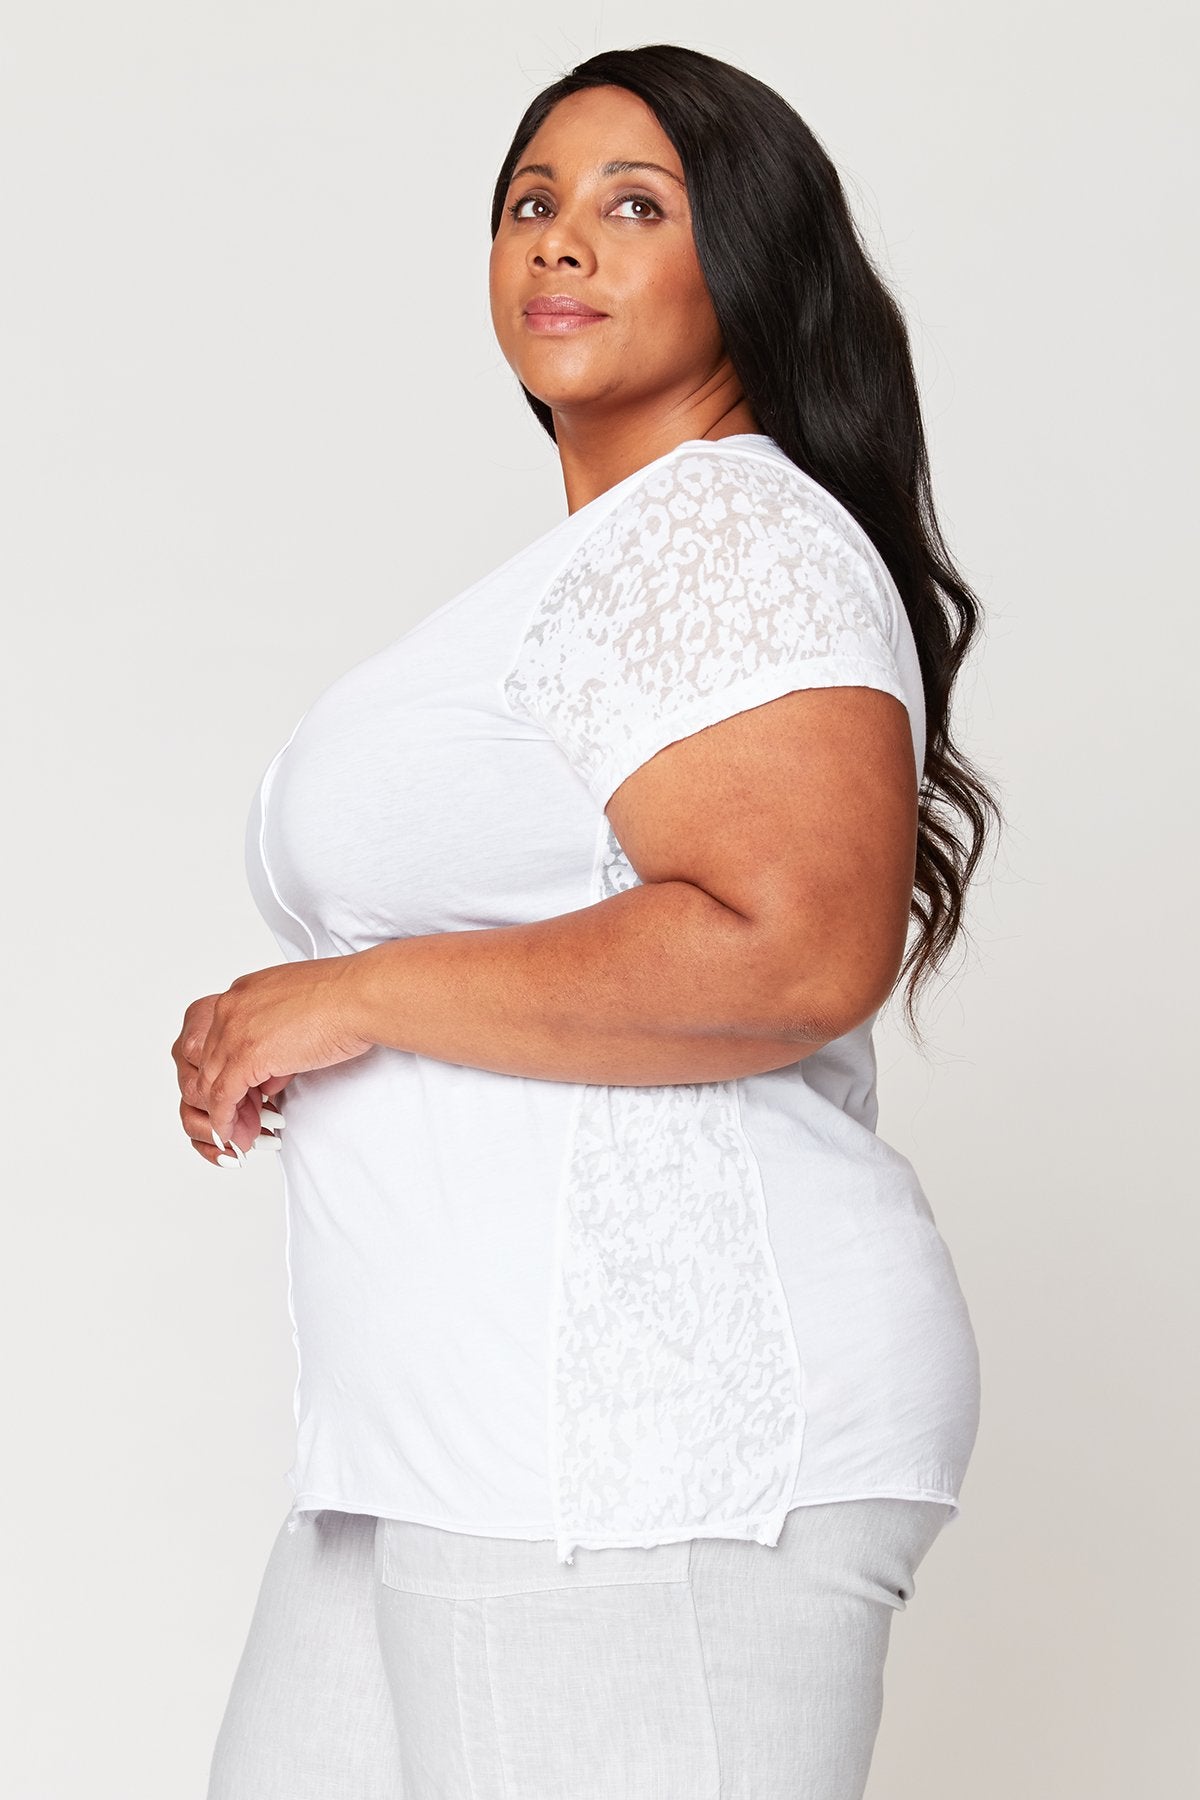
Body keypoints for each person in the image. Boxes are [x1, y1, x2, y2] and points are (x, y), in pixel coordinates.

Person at [176, 42, 1001, 1800]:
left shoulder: (733, 536)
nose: (560, 239)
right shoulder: (603, 567)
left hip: (648, 1442)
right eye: (530, 204)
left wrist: (356, 995)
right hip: (453, 1438)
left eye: (636, 206)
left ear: (750, 264)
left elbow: (793, 945)